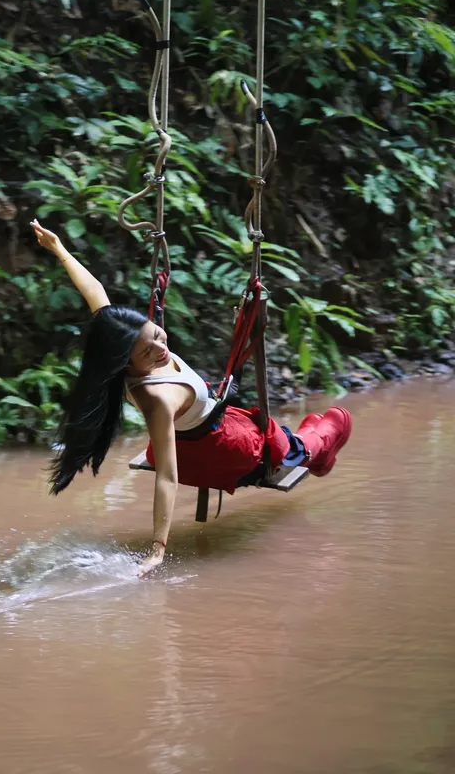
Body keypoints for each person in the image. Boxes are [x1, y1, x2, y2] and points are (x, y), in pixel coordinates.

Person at [31, 219, 353, 576]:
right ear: (126, 361)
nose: (159, 348)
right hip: (218, 450)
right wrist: (157, 550)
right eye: (147, 351)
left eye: (156, 334)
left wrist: (59, 249)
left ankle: (308, 442)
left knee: (272, 428)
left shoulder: (121, 339)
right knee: (293, 441)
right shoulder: (158, 399)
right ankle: (317, 450)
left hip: (195, 432)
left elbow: (95, 292)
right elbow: (167, 478)